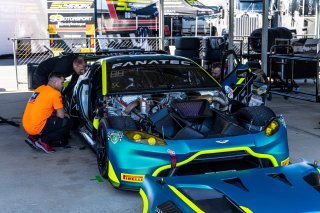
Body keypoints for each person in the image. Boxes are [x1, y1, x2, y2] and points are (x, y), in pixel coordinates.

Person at [22, 72, 72, 153]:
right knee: (67, 121)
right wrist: (64, 113)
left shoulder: (40, 88)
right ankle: (44, 141)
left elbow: (43, 108)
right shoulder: (55, 93)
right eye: (62, 83)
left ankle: (33, 137)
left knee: (50, 117)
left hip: (26, 124)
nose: (63, 85)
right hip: (36, 126)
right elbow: (61, 116)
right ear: (54, 82)